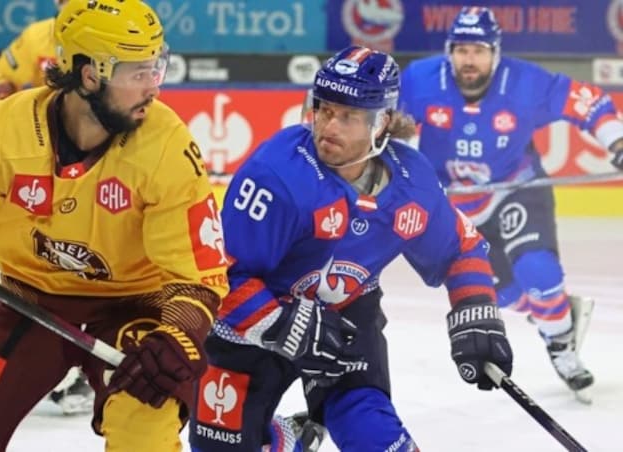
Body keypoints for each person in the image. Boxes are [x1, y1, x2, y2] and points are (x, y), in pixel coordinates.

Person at [0, 0, 229, 450]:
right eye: (138, 72)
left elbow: (198, 278)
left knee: (145, 430)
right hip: (28, 299)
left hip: (135, 305)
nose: (153, 87)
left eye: (156, 68)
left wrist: (178, 336)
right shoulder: (6, 125)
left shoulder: (168, 145)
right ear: (89, 74)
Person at [189, 45, 514, 452]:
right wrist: (282, 325)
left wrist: (475, 313)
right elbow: (220, 275)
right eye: (324, 110)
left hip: (346, 317)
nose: (329, 126)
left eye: (349, 116)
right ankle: (293, 437)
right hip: (254, 327)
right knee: (224, 447)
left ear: (383, 123)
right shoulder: (276, 175)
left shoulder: (412, 182)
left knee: (370, 433)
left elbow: (462, 248)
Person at [399, 6, 623, 401]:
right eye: (462, 50)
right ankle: (554, 313)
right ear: (450, 51)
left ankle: (561, 345)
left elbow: (588, 101)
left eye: (480, 50)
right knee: (494, 293)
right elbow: (379, 120)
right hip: (453, 205)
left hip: (515, 188)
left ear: (496, 53)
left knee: (538, 269)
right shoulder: (419, 79)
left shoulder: (525, 83)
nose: (470, 60)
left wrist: (617, 141)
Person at [0, 0, 68, 99]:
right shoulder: (34, 36)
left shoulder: (94, 38)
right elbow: (5, 78)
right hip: (43, 110)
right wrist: (6, 88)